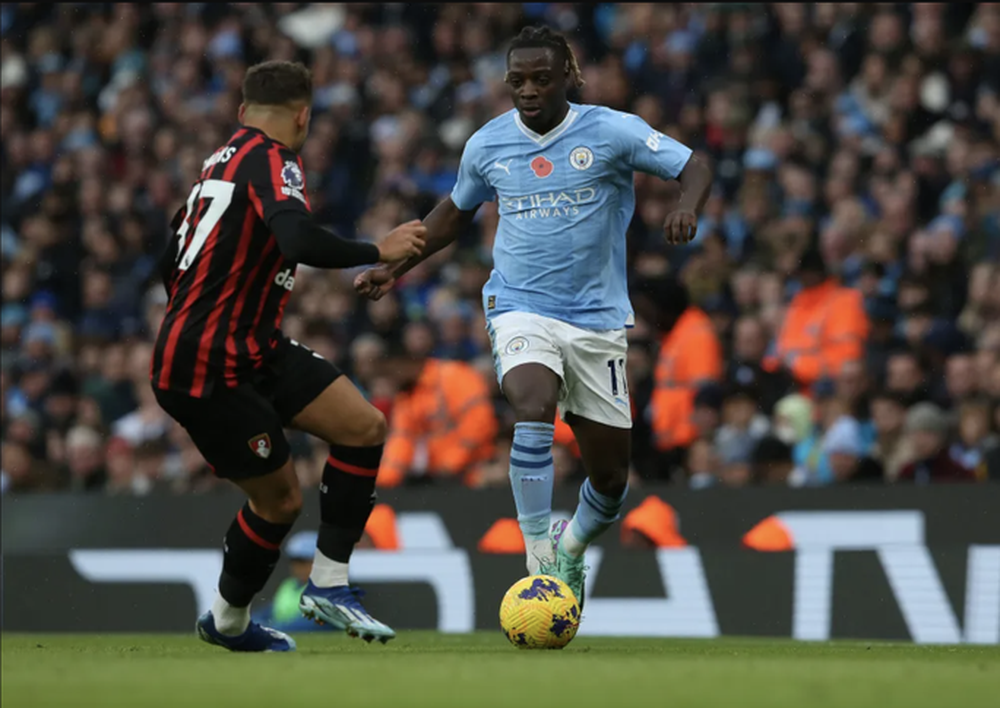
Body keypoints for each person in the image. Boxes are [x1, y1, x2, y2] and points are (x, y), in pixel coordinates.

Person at [355, 26, 712, 607]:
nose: (527, 90)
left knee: (612, 484)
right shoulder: (488, 144)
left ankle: (571, 547)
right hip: (519, 305)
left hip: (596, 319)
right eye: (517, 80)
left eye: (541, 78)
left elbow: (694, 165)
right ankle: (540, 552)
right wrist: (393, 269)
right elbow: (451, 216)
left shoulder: (612, 130)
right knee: (531, 401)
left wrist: (686, 205)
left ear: (569, 76)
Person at [150, 61, 427, 651]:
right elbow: (297, 239)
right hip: (206, 363)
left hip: (248, 343)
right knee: (279, 500)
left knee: (362, 426)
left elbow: (168, 253)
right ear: (303, 115)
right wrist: (380, 248)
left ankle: (328, 583)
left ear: (242, 111)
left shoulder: (217, 163)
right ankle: (227, 622)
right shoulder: (274, 160)